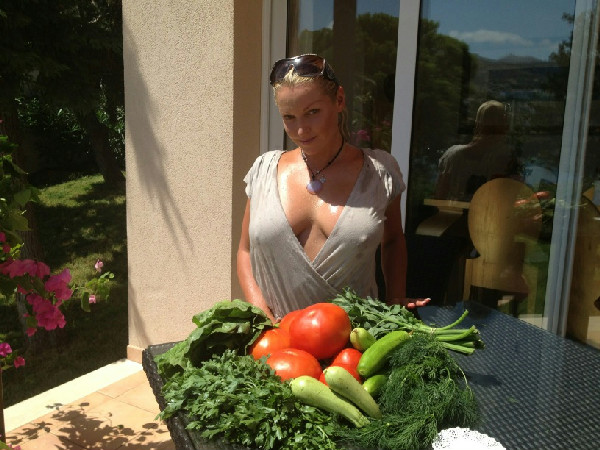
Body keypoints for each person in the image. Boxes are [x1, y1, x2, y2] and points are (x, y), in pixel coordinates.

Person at [236, 54, 429, 323]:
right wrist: (262, 316)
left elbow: (394, 239)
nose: (301, 130)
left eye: (312, 112)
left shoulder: (379, 172)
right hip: (276, 340)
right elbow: (245, 251)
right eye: (289, 117)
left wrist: (396, 297)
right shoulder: (264, 170)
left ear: (339, 100)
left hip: (355, 339)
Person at [434, 100, 516, 202]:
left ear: (477, 124)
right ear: (503, 128)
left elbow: (439, 197)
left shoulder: (452, 155)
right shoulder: (501, 158)